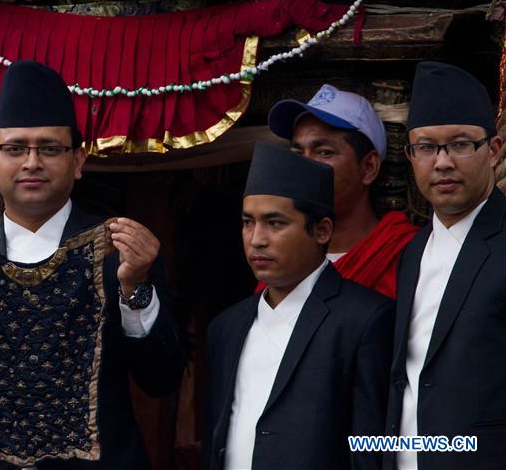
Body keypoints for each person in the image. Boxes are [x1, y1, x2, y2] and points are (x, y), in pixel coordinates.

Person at [0, 60, 186, 469]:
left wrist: (135, 288)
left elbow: (161, 379)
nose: (31, 162)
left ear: (78, 160)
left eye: (49, 148)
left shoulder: (121, 255)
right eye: (15, 148)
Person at [202, 142, 394, 470]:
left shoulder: (363, 320)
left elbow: (370, 449)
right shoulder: (226, 328)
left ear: (321, 230)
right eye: (248, 222)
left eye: (275, 223)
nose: (257, 239)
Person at [385, 61, 506, 469]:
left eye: (459, 144)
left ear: (494, 150)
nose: (442, 162)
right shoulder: (413, 252)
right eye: (427, 147)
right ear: (410, 155)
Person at [265, 84, 418, 298]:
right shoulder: (282, 258)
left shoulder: (407, 258)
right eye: (298, 154)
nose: (305, 166)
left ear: (368, 167)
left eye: (324, 152)